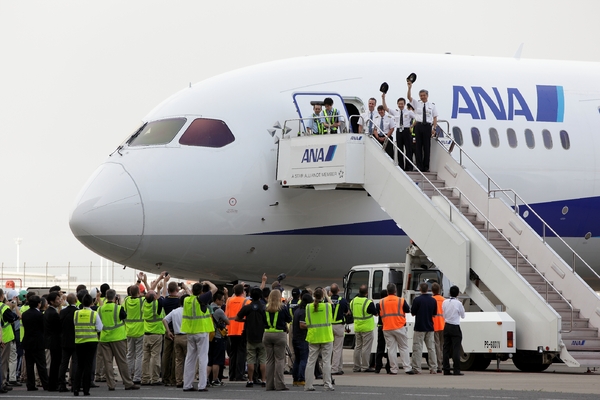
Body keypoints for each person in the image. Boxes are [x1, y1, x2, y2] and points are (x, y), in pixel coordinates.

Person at [98, 289, 140, 391]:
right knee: (122, 361)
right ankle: (128, 383)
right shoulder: (118, 308)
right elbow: (124, 317)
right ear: (115, 297)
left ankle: (111, 384)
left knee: (107, 362)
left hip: (104, 338)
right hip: (118, 338)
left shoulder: (100, 309)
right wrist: (118, 302)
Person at [181, 281, 216, 392]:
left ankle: (187, 384)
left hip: (190, 332)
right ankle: (202, 385)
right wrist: (208, 282)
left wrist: (187, 288)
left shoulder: (187, 300)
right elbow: (214, 289)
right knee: (203, 358)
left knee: (190, 358)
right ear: (201, 292)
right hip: (201, 331)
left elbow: (190, 294)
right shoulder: (202, 299)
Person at [301, 288, 334, 392]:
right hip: (326, 336)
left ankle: (308, 385)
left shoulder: (308, 307)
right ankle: (327, 384)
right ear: (323, 296)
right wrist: (326, 296)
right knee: (326, 362)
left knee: (311, 361)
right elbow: (332, 304)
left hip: (313, 336)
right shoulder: (327, 306)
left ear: (313, 296)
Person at [236, 287, 267, 388]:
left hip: (250, 337)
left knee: (250, 359)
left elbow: (237, 318)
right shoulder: (263, 307)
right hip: (262, 336)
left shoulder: (247, 307)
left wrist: (246, 321)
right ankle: (263, 380)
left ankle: (250, 380)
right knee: (262, 359)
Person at [141, 272, 168, 386]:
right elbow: (164, 295)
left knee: (145, 358)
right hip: (156, 334)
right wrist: (164, 281)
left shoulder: (145, 303)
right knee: (155, 357)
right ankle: (155, 378)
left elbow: (149, 293)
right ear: (155, 298)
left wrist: (156, 281)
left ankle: (145, 378)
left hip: (146, 334)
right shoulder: (157, 304)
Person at [73, 294, 102, 396]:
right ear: (91, 303)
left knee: (79, 366)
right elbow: (99, 328)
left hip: (79, 341)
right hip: (91, 342)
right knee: (88, 366)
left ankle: (76, 388)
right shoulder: (94, 314)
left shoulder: (76, 313)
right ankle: (86, 389)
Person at [379, 283, 412, 375]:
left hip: (387, 327)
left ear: (387, 291)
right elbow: (407, 310)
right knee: (404, 347)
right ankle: (407, 368)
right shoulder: (401, 300)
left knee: (391, 349)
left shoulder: (381, 301)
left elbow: (378, 311)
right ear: (395, 291)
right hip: (399, 326)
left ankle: (393, 369)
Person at [262, 290, 291, 391]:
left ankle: (269, 385)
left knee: (269, 360)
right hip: (279, 334)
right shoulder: (282, 307)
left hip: (267, 334)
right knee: (279, 360)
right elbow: (289, 319)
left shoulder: (265, 307)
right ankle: (279, 384)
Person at [407, 80, 438, 172]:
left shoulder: (432, 106)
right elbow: (409, 97)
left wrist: (434, 128)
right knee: (418, 147)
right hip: (419, 126)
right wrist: (409, 88)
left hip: (427, 126)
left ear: (427, 96)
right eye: (421, 95)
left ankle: (426, 167)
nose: (422, 97)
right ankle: (419, 166)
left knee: (427, 147)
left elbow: (435, 117)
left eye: (424, 95)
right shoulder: (417, 104)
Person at [408, 282, 438, 374]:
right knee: (431, 348)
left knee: (417, 348)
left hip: (419, 327)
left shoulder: (417, 300)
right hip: (430, 327)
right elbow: (434, 314)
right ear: (428, 289)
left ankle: (417, 368)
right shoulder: (433, 300)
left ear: (420, 289)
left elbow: (413, 313)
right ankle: (433, 368)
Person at [21, 295, 49, 391]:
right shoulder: (40, 315)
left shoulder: (24, 314)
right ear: (38, 304)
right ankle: (45, 384)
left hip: (27, 341)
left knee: (29, 365)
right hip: (38, 342)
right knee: (41, 365)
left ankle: (31, 385)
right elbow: (43, 328)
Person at [382, 93, 416, 170]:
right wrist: (383, 98)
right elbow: (386, 108)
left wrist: (412, 126)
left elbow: (417, 118)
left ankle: (409, 167)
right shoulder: (396, 112)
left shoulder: (409, 112)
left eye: (402, 104)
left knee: (408, 149)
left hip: (406, 130)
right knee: (400, 149)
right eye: (399, 104)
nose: (400, 105)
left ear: (404, 104)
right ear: (397, 104)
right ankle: (401, 166)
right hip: (399, 131)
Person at [349, 285, 377, 372]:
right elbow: (376, 313)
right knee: (366, 348)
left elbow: (351, 311)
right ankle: (365, 366)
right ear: (366, 293)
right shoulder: (368, 302)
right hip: (367, 328)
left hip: (357, 327)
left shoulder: (353, 301)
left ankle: (356, 367)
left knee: (358, 347)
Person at [162, 294, 187, 388]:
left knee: (178, 360)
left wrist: (168, 331)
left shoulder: (175, 311)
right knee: (188, 359)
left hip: (176, 336)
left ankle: (178, 380)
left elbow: (164, 320)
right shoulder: (189, 311)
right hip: (186, 336)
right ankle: (187, 380)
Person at [225, 284, 248, 382]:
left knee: (233, 353)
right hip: (241, 329)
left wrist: (238, 289)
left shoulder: (229, 300)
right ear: (243, 292)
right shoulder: (246, 301)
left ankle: (232, 375)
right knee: (241, 353)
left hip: (230, 329)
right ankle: (240, 374)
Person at [161, 278, 181, 387]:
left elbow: (163, 294)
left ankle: (165, 377)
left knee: (166, 355)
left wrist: (164, 282)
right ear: (177, 289)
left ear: (169, 290)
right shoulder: (179, 301)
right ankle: (174, 378)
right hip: (177, 330)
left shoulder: (165, 301)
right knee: (176, 356)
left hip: (168, 330)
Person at [123, 284, 144, 384]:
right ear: (139, 292)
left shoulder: (126, 300)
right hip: (140, 330)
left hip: (129, 330)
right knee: (139, 355)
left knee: (130, 354)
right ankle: (137, 377)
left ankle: (128, 376)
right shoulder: (141, 301)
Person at [208, 290, 229, 387]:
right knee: (216, 360)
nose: (223, 302)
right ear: (217, 300)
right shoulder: (219, 310)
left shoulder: (207, 308)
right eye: (222, 300)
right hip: (217, 336)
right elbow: (228, 322)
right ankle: (215, 379)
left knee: (209, 360)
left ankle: (206, 379)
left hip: (208, 337)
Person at [442, 285, 465, 376]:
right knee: (456, 348)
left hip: (446, 326)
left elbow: (443, 313)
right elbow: (463, 315)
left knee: (446, 348)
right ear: (458, 294)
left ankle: (446, 369)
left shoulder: (445, 302)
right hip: (455, 326)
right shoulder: (458, 303)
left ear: (449, 293)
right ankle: (456, 369)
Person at [57, 293, 78, 392]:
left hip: (64, 340)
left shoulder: (63, 312)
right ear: (76, 300)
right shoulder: (77, 312)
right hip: (75, 340)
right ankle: (74, 384)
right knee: (75, 362)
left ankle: (62, 384)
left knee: (63, 363)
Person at [0, 289, 19, 392]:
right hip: (5, 337)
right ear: (2, 296)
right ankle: (2, 382)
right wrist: (13, 307)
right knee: (4, 361)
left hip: (2, 336)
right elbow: (13, 318)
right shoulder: (4, 307)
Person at [43, 291, 62, 391]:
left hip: (50, 340)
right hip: (55, 341)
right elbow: (59, 327)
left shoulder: (48, 311)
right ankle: (54, 384)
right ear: (51, 301)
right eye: (58, 299)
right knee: (56, 363)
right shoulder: (53, 313)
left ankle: (52, 384)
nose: (59, 301)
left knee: (54, 363)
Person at [291, 293, 311, 387]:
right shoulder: (303, 311)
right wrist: (311, 326)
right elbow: (302, 325)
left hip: (295, 337)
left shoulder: (297, 310)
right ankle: (301, 378)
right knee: (303, 359)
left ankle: (295, 379)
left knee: (297, 359)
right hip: (302, 338)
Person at [329, 283, 348, 375]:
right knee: (338, 348)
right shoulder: (342, 300)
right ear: (338, 290)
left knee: (331, 348)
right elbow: (346, 311)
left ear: (330, 292)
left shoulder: (326, 300)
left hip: (329, 326)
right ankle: (335, 368)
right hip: (339, 326)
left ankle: (339, 367)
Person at [374, 289, 390, 374]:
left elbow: (376, 313)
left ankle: (378, 367)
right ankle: (388, 366)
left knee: (380, 347)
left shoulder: (378, 304)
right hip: (389, 327)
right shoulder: (389, 304)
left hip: (381, 327)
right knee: (390, 348)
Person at [432, 283, 445, 373]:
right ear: (439, 290)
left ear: (432, 291)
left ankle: (439, 365)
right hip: (443, 324)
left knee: (436, 346)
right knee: (442, 346)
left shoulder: (432, 300)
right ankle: (443, 363)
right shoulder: (444, 300)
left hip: (434, 325)